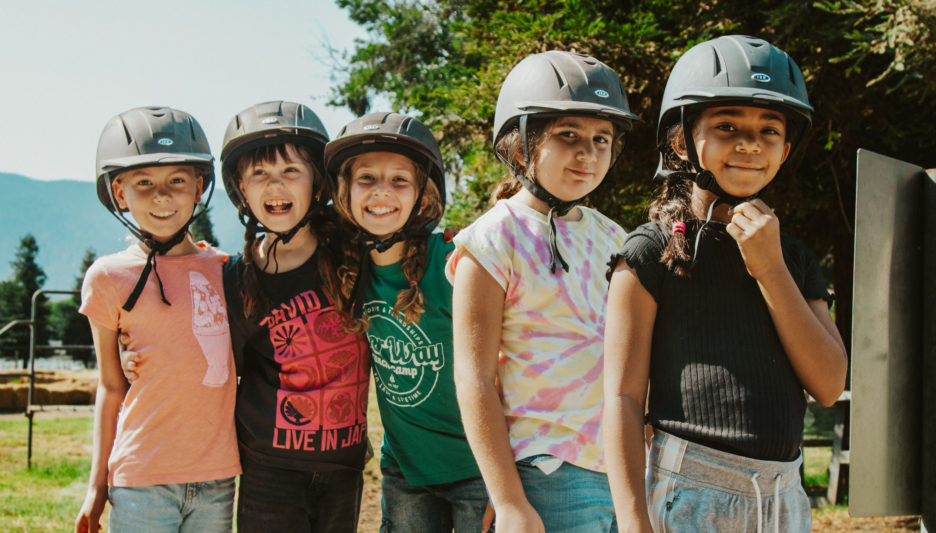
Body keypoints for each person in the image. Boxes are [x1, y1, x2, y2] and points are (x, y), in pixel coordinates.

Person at [602, 35, 848, 532]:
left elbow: (828, 384)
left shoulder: (792, 257)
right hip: (690, 493)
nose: (750, 143)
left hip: (784, 495)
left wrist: (770, 268)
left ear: (785, 148)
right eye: (727, 125)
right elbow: (623, 399)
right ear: (681, 140)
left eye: (769, 130)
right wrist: (632, 522)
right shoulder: (650, 253)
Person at [446, 50, 641, 533]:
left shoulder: (615, 236)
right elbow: (473, 380)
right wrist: (509, 500)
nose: (588, 153)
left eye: (602, 139)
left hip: (624, 467)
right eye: (568, 136)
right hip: (550, 471)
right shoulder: (490, 240)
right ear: (518, 147)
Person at [75, 106, 240, 533]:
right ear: (119, 191)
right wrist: (96, 489)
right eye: (143, 182)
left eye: (177, 181)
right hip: (141, 480)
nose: (162, 196)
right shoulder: (108, 278)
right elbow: (111, 386)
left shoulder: (228, 270)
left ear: (199, 186)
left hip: (218, 478)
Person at [323, 112, 490, 532]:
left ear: (423, 195)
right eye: (366, 179)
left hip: (478, 467)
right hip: (406, 467)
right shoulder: (345, 268)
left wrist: (507, 481)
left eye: (399, 180)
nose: (382, 192)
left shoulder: (453, 261)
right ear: (344, 193)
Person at [220, 101, 370, 532]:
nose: (275, 185)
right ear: (241, 190)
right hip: (269, 469)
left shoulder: (352, 255)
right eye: (260, 175)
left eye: (290, 172)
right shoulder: (236, 277)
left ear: (317, 182)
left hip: (344, 465)